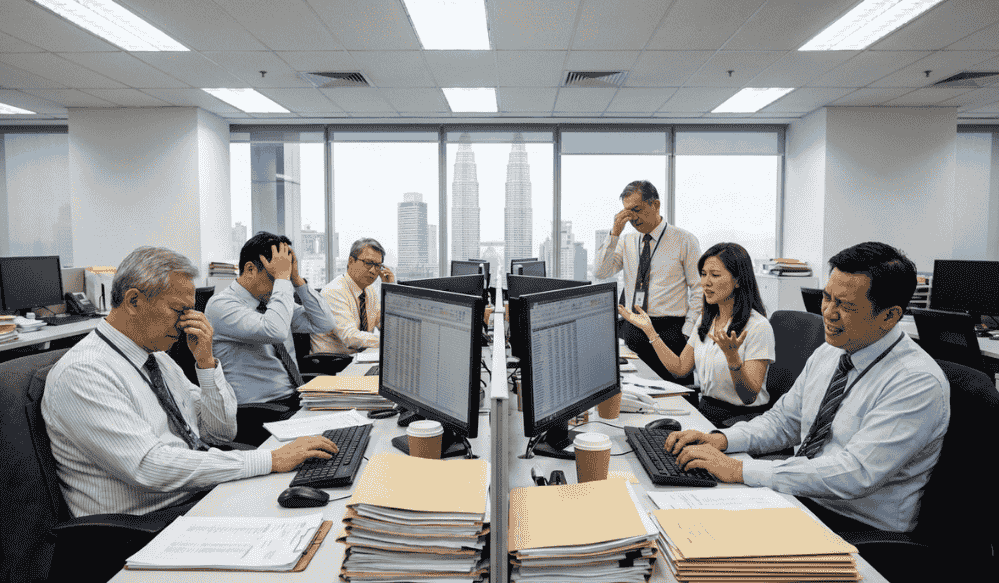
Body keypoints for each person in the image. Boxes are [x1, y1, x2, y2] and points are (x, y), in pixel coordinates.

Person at [664, 242, 950, 534]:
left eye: (846, 305)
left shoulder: (916, 382)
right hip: (802, 497)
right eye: (827, 297)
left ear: (889, 316)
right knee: (687, 517)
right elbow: (784, 422)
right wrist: (720, 440)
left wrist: (739, 470)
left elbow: (854, 474)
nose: (828, 312)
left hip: (856, 527)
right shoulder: (831, 352)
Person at [42, 246, 339, 518]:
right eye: (179, 310)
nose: (188, 322)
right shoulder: (84, 373)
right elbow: (150, 467)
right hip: (147, 526)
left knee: (319, 504)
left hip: (194, 496)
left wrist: (206, 363)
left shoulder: (157, 358)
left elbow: (220, 432)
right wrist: (269, 460)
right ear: (133, 301)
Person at [618, 242, 774, 427]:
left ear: (738, 280)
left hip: (740, 421)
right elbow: (680, 368)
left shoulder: (758, 327)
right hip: (706, 412)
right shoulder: (706, 320)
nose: (706, 282)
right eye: (703, 274)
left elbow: (748, 396)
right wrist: (649, 330)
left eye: (715, 275)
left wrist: (734, 361)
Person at [205, 232, 335, 443]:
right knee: (331, 443)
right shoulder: (221, 306)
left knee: (351, 427)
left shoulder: (271, 303)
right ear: (249, 269)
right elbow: (274, 331)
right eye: (274, 276)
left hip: (293, 401)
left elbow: (325, 323)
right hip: (258, 413)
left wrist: (296, 280)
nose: (279, 286)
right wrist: (283, 280)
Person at [594, 180, 703, 382]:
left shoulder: (684, 240)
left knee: (675, 394)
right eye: (627, 213)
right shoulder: (627, 241)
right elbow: (601, 271)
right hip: (633, 329)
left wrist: (687, 333)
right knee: (634, 387)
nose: (633, 218)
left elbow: (699, 290)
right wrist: (615, 233)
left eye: (637, 209)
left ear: (655, 205)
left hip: (670, 330)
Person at [312, 238, 394, 356]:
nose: (373, 271)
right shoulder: (334, 291)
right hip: (332, 364)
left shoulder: (369, 290)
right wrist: (387, 341)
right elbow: (349, 337)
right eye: (368, 263)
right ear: (351, 261)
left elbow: (386, 326)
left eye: (377, 266)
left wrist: (389, 290)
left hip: (358, 359)